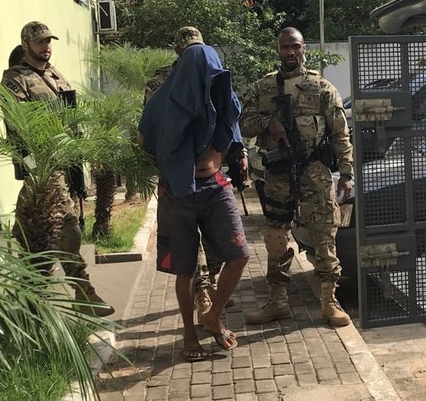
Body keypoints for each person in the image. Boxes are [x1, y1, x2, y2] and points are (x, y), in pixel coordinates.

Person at [138, 26, 249, 362]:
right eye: (191, 54)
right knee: (185, 269)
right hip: (177, 190)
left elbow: (233, 122)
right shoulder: (161, 93)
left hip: (215, 185)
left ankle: (212, 314)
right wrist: (174, 161)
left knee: (240, 253)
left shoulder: (218, 86)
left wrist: (225, 152)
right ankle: (189, 332)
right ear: (179, 54)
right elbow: (146, 139)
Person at [240, 27, 353, 328]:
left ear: (304, 49)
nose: (290, 52)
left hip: (314, 172)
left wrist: (346, 173)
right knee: (276, 238)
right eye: (285, 47)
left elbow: (340, 132)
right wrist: (269, 122)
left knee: (325, 235)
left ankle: (329, 303)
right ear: (277, 49)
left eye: (296, 47)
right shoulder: (263, 87)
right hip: (278, 175)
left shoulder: (322, 87)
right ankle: (278, 302)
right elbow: (243, 124)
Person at [1, 21, 114, 317]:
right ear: (26, 44)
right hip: (44, 167)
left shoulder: (55, 75)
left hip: (66, 163)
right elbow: (19, 130)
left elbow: (70, 118)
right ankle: (82, 293)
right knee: (68, 227)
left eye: (49, 41)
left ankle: (31, 295)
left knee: (35, 230)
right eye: (40, 42)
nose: (46, 46)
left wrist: (80, 159)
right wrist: (34, 169)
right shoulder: (16, 79)